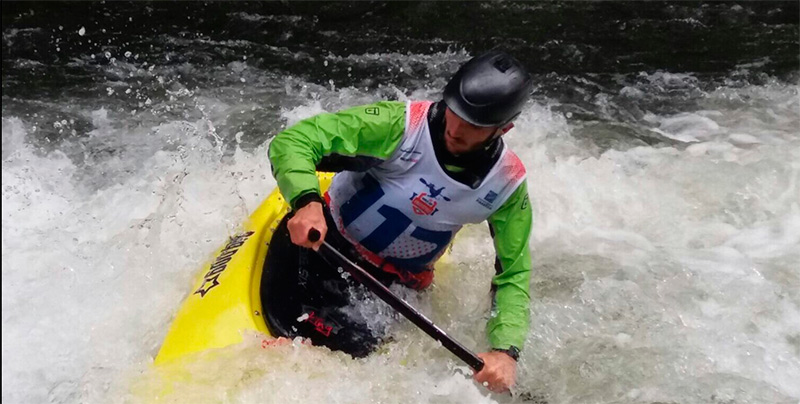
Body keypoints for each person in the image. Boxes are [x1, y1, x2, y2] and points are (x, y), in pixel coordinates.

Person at [262, 50, 533, 393]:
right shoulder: (399, 125)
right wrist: (306, 201)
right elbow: (294, 141)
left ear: (503, 129)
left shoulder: (506, 184)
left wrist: (505, 351)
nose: (455, 128)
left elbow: (514, 274)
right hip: (323, 243)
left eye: (474, 126)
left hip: (393, 289)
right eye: (455, 112)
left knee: (351, 368)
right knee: (284, 329)